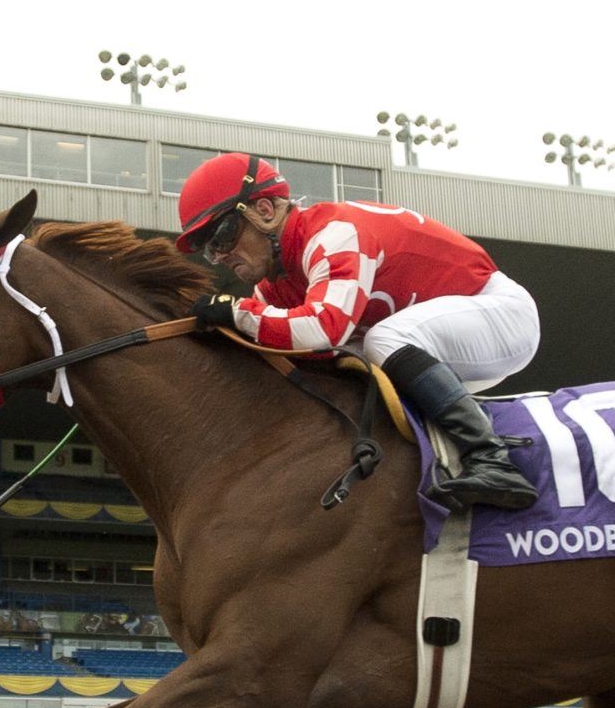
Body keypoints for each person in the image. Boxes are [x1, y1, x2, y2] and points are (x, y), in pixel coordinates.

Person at [174, 152, 540, 510]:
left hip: (500, 315)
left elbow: (320, 330)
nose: (220, 255)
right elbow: (297, 350)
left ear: (265, 211)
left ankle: (491, 459)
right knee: (347, 360)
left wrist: (238, 313)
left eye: (222, 235)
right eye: (209, 249)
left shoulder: (333, 235)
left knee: (380, 340)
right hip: (437, 338)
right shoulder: (273, 285)